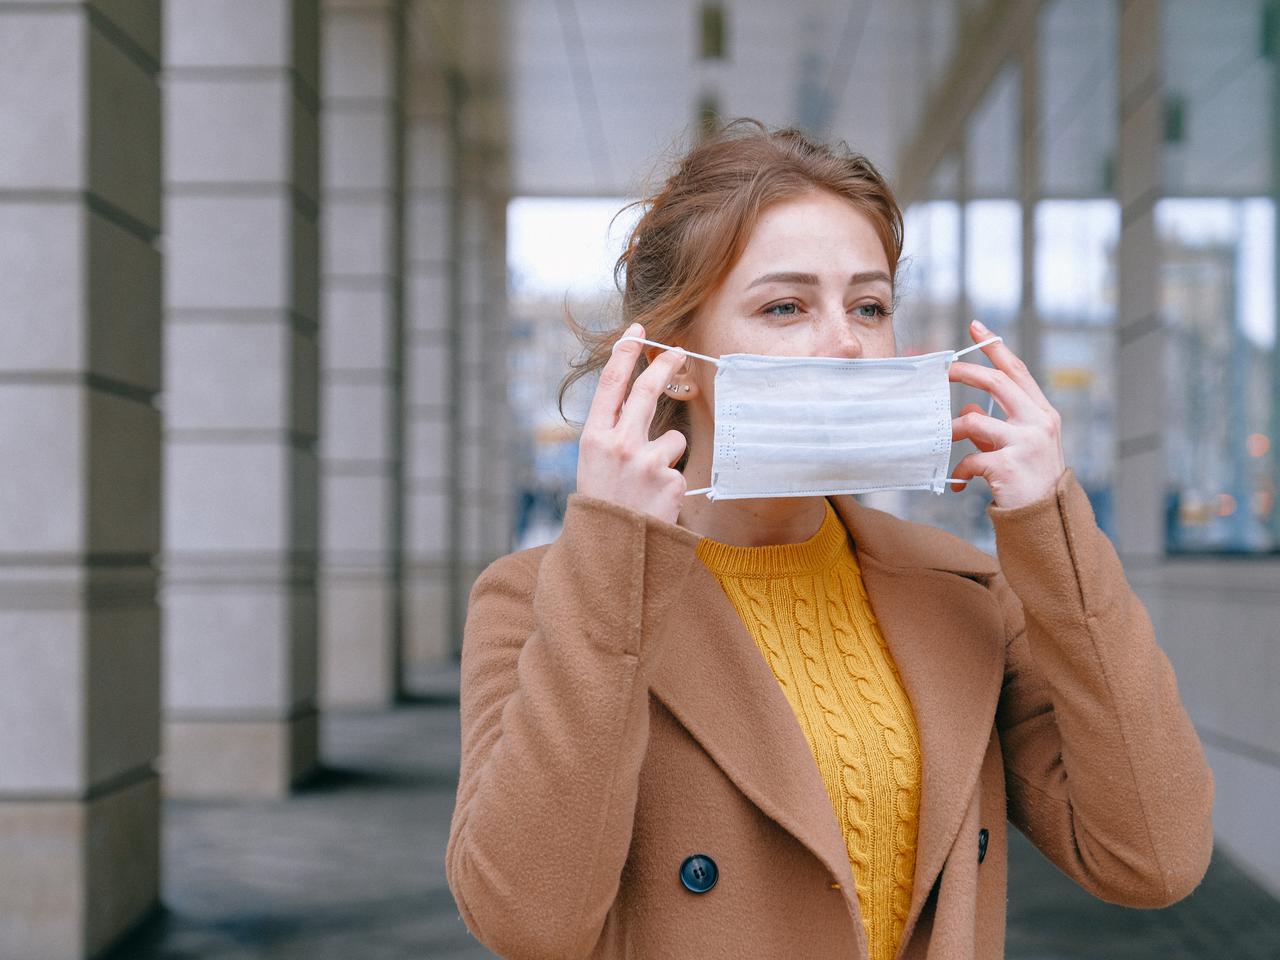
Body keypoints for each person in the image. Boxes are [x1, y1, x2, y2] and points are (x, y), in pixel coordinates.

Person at [445, 118, 1214, 960]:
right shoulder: (538, 599)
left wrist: (1054, 531)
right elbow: (526, 920)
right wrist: (610, 556)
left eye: (870, 306)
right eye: (785, 306)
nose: (846, 343)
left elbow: (1155, 859)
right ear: (678, 357)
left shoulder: (963, 591)